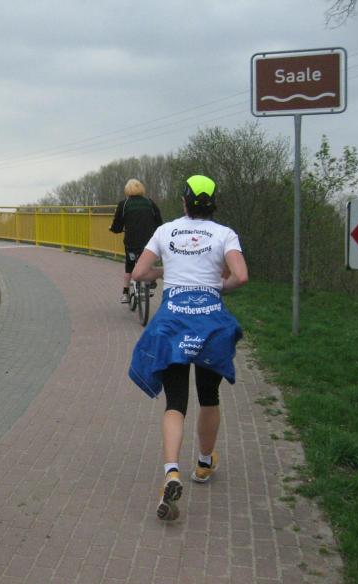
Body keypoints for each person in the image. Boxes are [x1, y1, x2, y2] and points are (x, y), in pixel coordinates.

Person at [128, 175, 248, 522]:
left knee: (175, 402)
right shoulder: (225, 234)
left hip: (172, 324)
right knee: (209, 396)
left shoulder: (165, 231)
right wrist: (217, 286)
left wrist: (164, 272)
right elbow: (241, 276)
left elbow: (139, 273)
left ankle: (171, 473)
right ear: (213, 203)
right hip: (210, 323)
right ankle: (204, 464)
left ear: (184, 201)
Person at [109, 178, 163, 303]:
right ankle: (151, 280)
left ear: (127, 190)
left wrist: (113, 229)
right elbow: (159, 222)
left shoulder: (124, 204)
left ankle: (125, 293)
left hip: (131, 243)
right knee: (149, 261)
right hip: (149, 243)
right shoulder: (150, 203)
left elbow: (117, 226)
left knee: (129, 265)